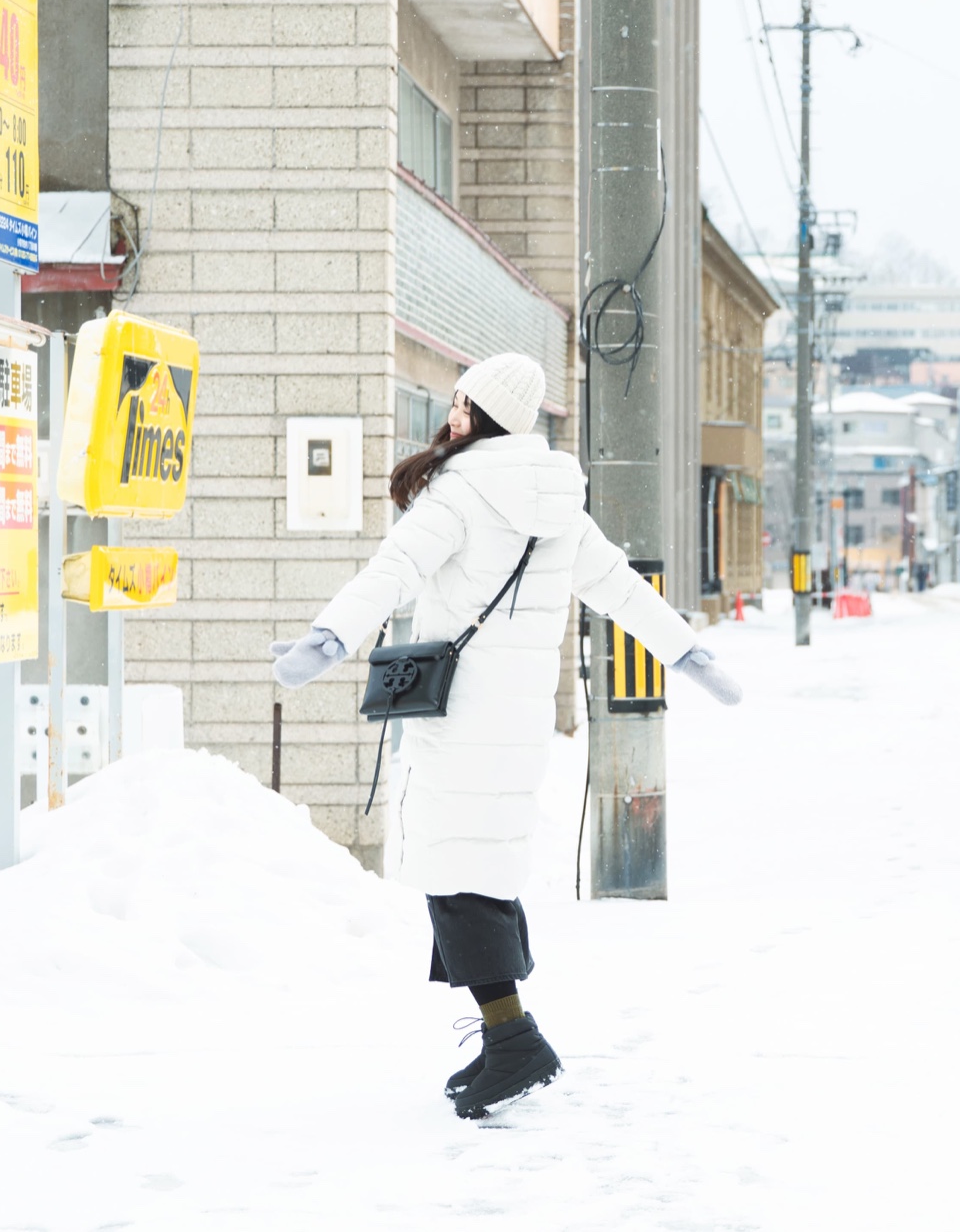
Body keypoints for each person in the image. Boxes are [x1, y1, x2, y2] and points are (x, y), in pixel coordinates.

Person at [268, 353, 743, 1119]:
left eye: (460, 404)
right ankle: (501, 1038)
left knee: (455, 881)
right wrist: (687, 651)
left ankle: (514, 1037)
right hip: (515, 724)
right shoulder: (559, 505)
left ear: (485, 415)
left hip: (456, 722)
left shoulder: (457, 497)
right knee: (477, 873)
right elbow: (620, 588)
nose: (450, 415)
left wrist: (327, 639)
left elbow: (388, 572)